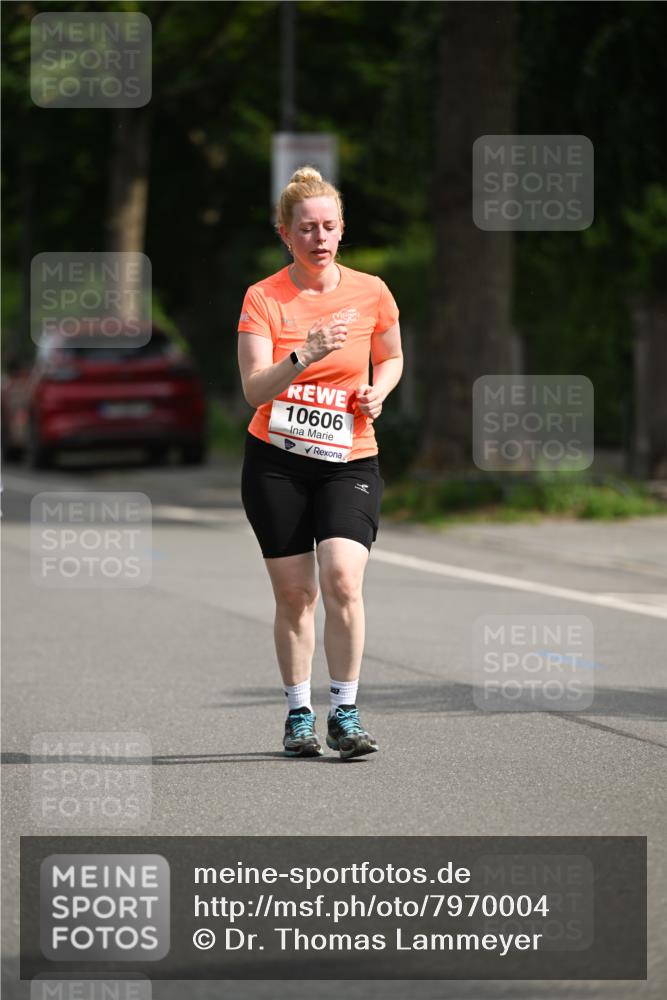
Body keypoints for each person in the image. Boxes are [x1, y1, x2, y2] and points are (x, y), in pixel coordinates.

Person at [237, 166, 403, 760]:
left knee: (341, 579)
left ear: (341, 230)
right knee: (296, 596)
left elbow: (391, 356)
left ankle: (347, 712)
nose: (320, 237)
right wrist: (305, 354)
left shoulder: (371, 291)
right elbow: (255, 390)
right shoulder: (264, 298)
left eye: (330, 226)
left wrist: (379, 391)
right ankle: (299, 714)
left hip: (349, 458)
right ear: (286, 234)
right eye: (307, 228)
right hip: (276, 462)